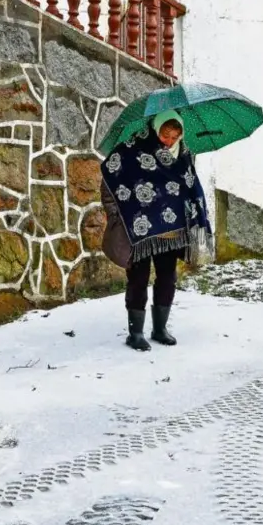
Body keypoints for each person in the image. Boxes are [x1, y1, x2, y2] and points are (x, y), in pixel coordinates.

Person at [100, 110, 213, 351]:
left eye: (175, 136)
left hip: (171, 232)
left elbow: (191, 187)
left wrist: (193, 215)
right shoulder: (132, 149)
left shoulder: (184, 154)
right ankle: (136, 333)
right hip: (139, 231)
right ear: (156, 128)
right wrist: (114, 214)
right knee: (138, 278)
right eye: (165, 135)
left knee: (168, 277)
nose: (169, 141)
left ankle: (160, 329)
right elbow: (109, 177)